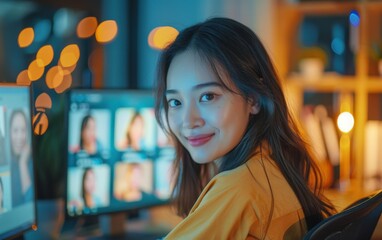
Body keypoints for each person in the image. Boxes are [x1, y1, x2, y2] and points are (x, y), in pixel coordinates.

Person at [154, 17, 336, 239]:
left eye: (208, 96)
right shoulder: (272, 167)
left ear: (254, 99)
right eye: (175, 102)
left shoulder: (238, 188)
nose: (188, 121)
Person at [9, 109, 33, 207]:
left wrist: (22, 163)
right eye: (15, 130)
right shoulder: (6, 166)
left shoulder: (31, 162)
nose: (20, 137)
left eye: (23, 130)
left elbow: (30, 205)